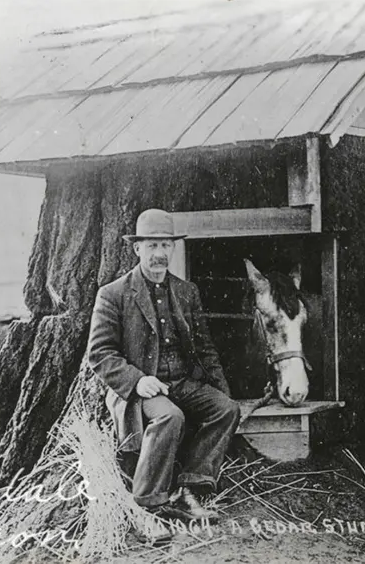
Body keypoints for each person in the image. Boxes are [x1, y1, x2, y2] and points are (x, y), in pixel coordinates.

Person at [88, 208, 240, 532]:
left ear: (173, 248)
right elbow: (99, 353)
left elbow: (205, 349)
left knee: (226, 409)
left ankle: (189, 490)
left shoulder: (187, 292)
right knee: (171, 416)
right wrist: (137, 380)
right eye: (152, 246)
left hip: (183, 382)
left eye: (165, 246)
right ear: (137, 248)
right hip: (142, 389)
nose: (159, 254)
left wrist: (220, 391)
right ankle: (147, 506)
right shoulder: (113, 294)